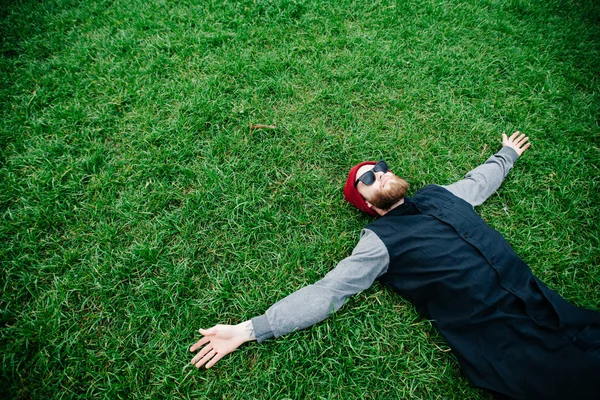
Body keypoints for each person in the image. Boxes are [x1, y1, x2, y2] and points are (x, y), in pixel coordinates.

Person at [190, 132, 600, 399]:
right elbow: (328, 291)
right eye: (368, 179)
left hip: (545, 303)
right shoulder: (378, 243)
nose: (380, 174)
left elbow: (478, 182)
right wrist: (249, 330)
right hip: (504, 338)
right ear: (367, 204)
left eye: (381, 168)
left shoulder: (441, 195)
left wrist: (506, 154)